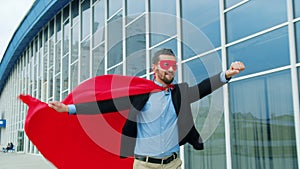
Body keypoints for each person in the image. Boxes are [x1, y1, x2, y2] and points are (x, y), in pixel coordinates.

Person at [48, 48, 245, 169]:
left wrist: (226, 74)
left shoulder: (179, 93)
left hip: (173, 164)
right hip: (144, 165)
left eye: (173, 66)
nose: (170, 69)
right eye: (166, 64)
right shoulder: (140, 93)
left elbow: (202, 89)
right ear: (154, 68)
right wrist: (69, 108)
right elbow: (105, 105)